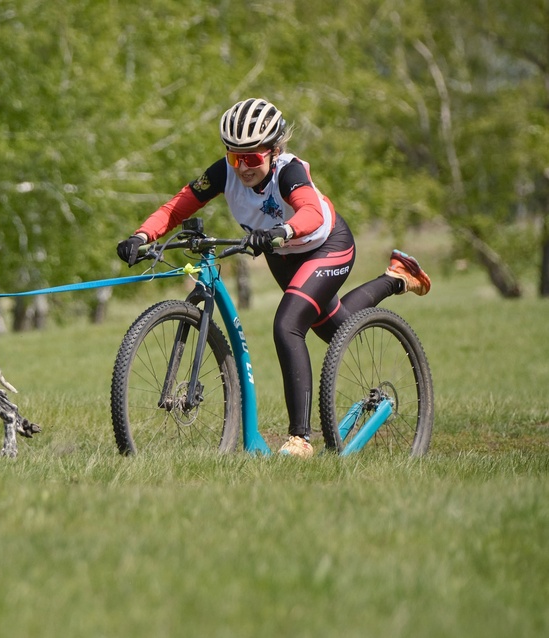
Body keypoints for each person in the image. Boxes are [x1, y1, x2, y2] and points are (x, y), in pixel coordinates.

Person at [116, 98, 431, 458]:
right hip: (282, 255)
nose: (242, 167)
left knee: (288, 325)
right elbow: (177, 207)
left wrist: (282, 230)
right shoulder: (223, 173)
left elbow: (311, 212)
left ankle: (300, 439)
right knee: (337, 329)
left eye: (251, 157)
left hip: (325, 246)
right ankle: (396, 277)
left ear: (274, 150)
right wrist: (142, 236)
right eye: (234, 157)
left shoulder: (288, 172)